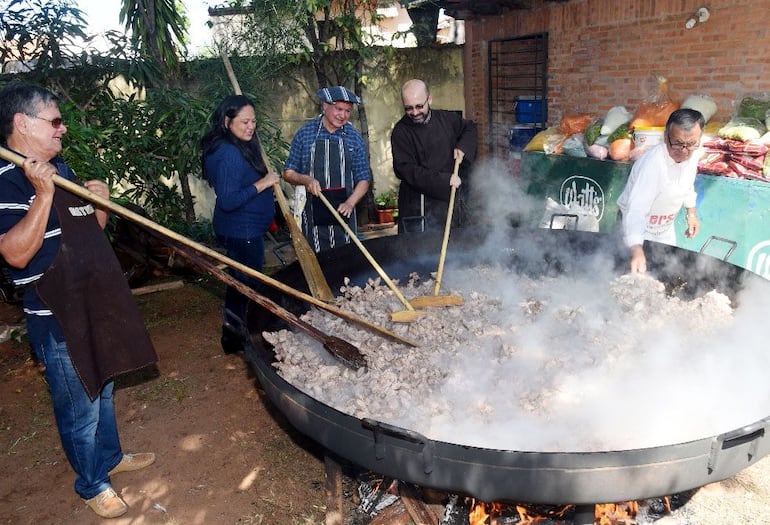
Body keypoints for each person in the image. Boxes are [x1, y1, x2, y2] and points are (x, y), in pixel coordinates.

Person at [0, 82, 157, 518]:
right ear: (22, 123)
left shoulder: (60, 168)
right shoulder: (7, 181)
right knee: (80, 407)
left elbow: (92, 234)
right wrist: (44, 195)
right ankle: (92, 483)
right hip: (56, 317)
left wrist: (100, 203)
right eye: (54, 120)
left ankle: (109, 459)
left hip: (91, 302)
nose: (62, 129)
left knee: (103, 387)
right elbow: (14, 253)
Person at [200, 95, 280, 353]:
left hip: (242, 229)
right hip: (241, 229)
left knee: (239, 284)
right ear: (227, 121)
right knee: (248, 287)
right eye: (244, 121)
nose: (251, 127)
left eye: (253, 121)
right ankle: (244, 338)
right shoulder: (229, 153)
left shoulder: (229, 145)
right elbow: (229, 200)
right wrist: (264, 183)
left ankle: (233, 338)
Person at [283, 86, 371, 252]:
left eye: (347, 111)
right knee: (318, 265)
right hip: (312, 215)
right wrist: (306, 180)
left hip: (344, 215)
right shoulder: (305, 134)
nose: (343, 115)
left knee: (346, 264)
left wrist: (350, 203)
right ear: (324, 106)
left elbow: (364, 179)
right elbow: (288, 172)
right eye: (339, 109)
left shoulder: (353, 137)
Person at [617, 108, 704, 273]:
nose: (684, 151)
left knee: (666, 274)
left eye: (691, 144)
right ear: (665, 137)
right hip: (634, 227)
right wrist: (636, 249)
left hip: (664, 229)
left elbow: (687, 184)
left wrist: (691, 213)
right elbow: (636, 210)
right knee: (629, 277)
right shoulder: (652, 164)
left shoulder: (692, 154)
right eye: (677, 143)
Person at [390, 79, 478, 234]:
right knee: (419, 254)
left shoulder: (447, 119)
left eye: (419, 106)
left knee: (454, 249)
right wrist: (444, 180)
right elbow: (406, 169)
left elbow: (469, 128)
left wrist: (462, 147)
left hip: (448, 202)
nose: (415, 113)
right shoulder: (400, 131)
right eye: (408, 108)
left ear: (429, 99)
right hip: (418, 206)